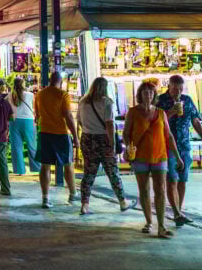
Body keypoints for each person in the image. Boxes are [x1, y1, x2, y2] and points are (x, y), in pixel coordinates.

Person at [124, 81, 187, 238]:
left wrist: (178, 157)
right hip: (140, 157)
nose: (148, 95)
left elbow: (169, 135)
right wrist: (128, 146)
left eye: (151, 93)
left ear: (154, 96)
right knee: (144, 190)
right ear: (140, 95)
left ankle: (161, 226)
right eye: (145, 92)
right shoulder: (132, 112)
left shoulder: (160, 113)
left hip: (160, 155)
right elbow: (126, 133)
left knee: (160, 190)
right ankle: (148, 222)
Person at [156, 75, 202, 226]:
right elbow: (156, 123)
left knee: (182, 180)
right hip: (167, 145)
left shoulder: (187, 100)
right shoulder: (160, 101)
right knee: (172, 180)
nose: (178, 92)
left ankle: (178, 212)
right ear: (169, 86)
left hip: (184, 145)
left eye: (181, 89)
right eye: (175, 88)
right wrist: (172, 112)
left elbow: (195, 120)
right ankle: (176, 212)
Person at [76, 77, 132, 215]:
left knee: (89, 172)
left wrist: (89, 130)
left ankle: (84, 205)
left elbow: (79, 121)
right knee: (112, 172)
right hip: (104, 140)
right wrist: (112, 144)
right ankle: (123, 202)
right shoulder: (107, 103)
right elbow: (109, 124)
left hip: (87, 139)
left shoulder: (83, 101)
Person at [35, 72, 80, 208]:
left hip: (44, 133)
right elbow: (68, 116)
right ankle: (73, 194)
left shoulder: (40, 95)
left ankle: (45, 198)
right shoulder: (63, 95)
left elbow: (37, 115)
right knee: (68, 164)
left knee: (45, 166)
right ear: (61, 81)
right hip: (60, 133)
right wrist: (76, 137)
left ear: (49, 80)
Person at [8, 78, 38, 175]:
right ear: (23, 85)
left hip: (14, 122)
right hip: (28, 121)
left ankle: (19, 170)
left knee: (16, 147)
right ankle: (37, 168)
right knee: (32, 146)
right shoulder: (30, 95)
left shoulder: (9, 96)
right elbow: (34, 107)